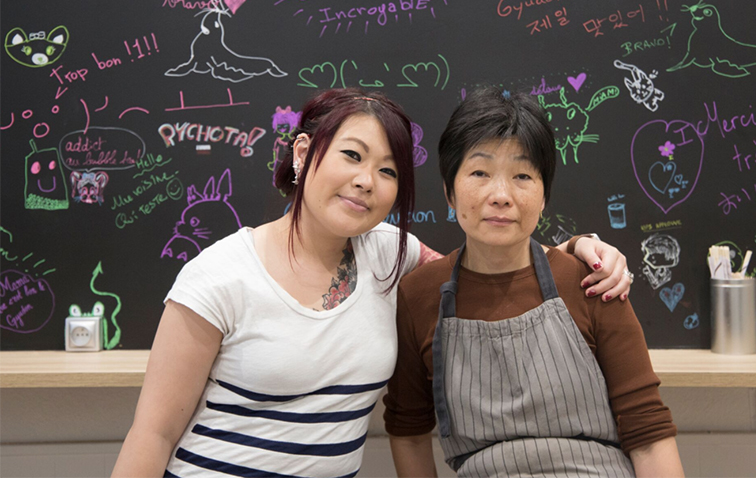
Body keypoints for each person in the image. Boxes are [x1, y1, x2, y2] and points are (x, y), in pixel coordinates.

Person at [112, 88, 631, 478]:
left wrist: (576, 249)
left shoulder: (392, 253)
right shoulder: (220, 274)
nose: (367, 180)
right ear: (302, 154)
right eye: (352, 156)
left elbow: (493, 255)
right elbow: (153, 434)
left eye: (388, 171)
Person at [384, 87, 683, 477]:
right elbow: (408, 432)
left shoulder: (592, 281)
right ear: (449, 192)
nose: (501, 195)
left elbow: (648, 433)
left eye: (522, 175)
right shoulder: (419, 295)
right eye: (479, 173)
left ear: (544, 197)